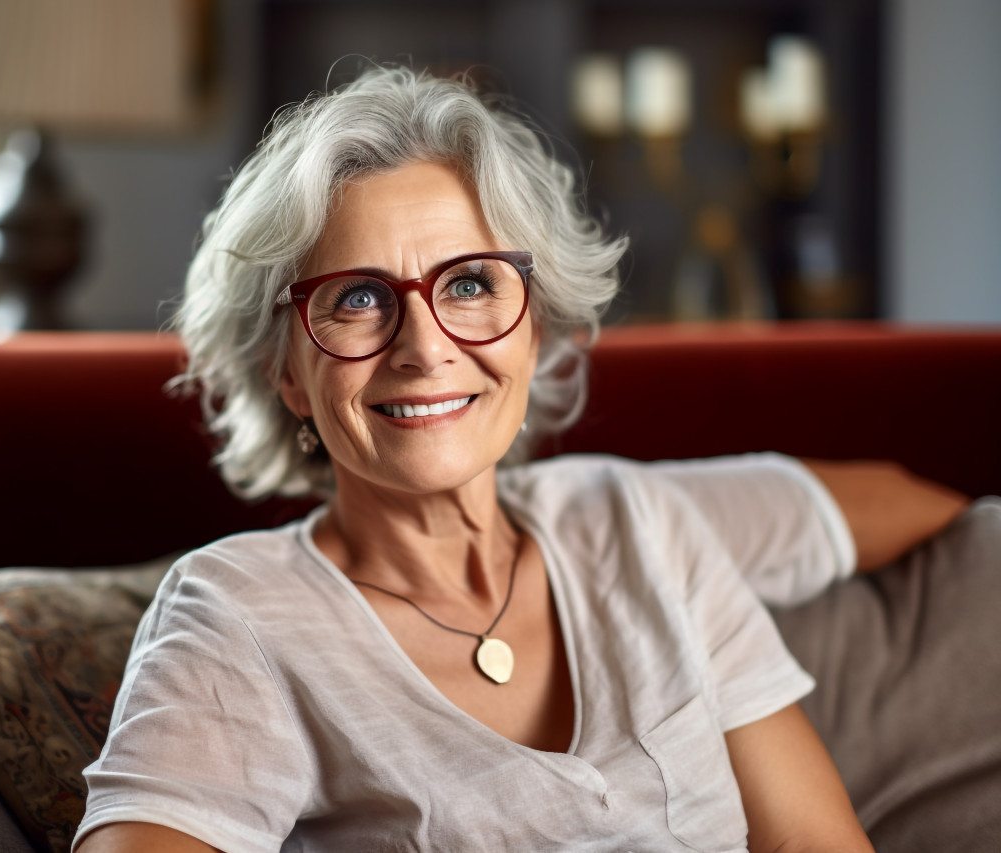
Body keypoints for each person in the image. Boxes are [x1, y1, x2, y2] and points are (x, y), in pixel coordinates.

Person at [74, 66, 965, 852]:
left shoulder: (636, 520)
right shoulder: (240, 614)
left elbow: (808, 837)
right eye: (358, 297)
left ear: (534, 326)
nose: (424, 347)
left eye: (469, 283)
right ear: (289, 374)